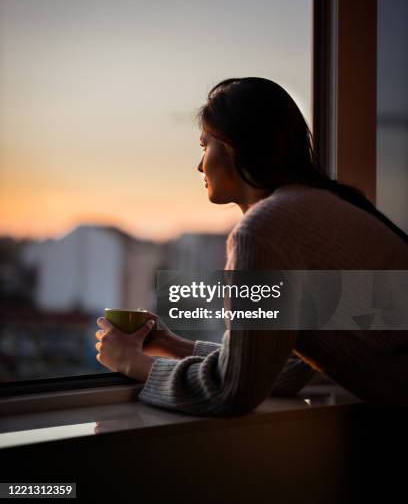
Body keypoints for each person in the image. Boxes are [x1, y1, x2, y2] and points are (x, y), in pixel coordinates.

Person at [95, 77, 408, 415]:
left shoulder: (265, 229)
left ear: (232, 144)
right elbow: (284, 370)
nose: (199, 165)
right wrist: (170, 344)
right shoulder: (321, 209)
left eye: (204, 146)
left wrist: (130, 362)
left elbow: (231, 390)